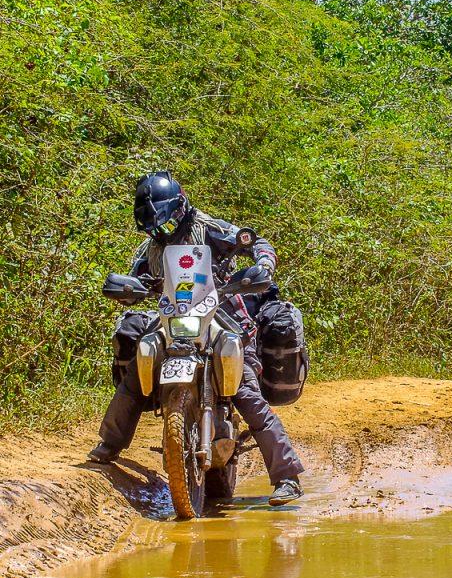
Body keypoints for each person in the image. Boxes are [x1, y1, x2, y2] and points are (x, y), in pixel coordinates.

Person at [88, 171, 305, 506]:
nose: (161, 232)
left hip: (222, 315)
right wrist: (129, 289)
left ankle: (287, 477)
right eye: (154, 229)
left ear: (180, 208)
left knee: (246, 392)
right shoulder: (150, 248)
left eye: (164, 225)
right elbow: (134, 279)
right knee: (136, 370)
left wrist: (263, 263)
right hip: (173, 318)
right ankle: (110, 444)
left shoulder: (210, 228)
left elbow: (255, 241)